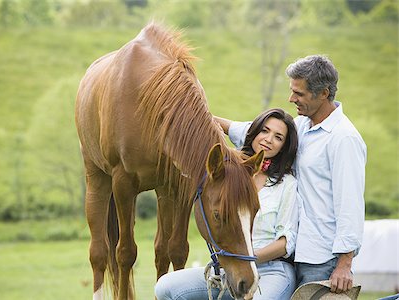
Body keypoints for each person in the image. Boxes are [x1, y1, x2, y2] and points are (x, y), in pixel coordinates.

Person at [216, 55, 367, 295]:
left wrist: (344, 263)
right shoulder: (303, 125)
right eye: (291, 91)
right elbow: (255, 133)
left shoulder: (343, 138)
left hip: (322, 258)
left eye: (299, 94)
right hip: (297, 252)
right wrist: (206, 119)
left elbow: (350, 203)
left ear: (324, 93)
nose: (291, 99)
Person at [155, 108, 299, 300]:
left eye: (278, 137)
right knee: (166, 287)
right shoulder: (228, 174)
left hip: (272, 271)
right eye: (264, 131)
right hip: (230, 266)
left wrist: (247, 258)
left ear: (283, 146)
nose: (268, 139)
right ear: (254, 132)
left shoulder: (286, 184)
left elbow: (285, 242)